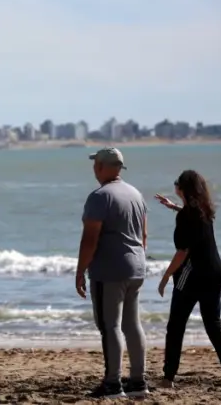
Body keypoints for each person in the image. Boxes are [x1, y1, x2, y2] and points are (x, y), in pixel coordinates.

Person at [75, 147, 149, 399]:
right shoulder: (135, 194)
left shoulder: (99, 196)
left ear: (102, 167)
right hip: (137, 266)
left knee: (110, 326)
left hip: (110, 270)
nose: (94, 168)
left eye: (96, 164)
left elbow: (90, 240)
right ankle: (138, 382)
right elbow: (144, 236)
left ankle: (112, 384)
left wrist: (80, 270)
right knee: (132, 324)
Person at [155, 171, 221, 388]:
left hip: (193, 276)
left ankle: (168, 378)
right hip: (215, 273)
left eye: (177, 183)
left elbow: (182, 252)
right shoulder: (204, 208)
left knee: (175, 326)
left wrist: (165, 276)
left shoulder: (186, 216)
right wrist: (173, 206)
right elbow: (190, 219)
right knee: (213, 323)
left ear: (181, 188)